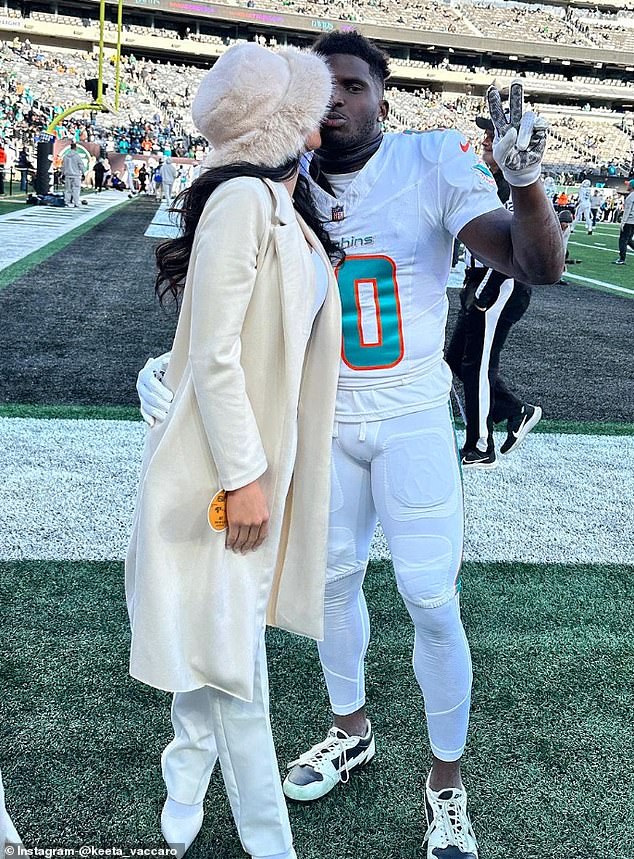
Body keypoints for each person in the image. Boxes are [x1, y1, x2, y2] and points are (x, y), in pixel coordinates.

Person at [137, 31, 563, 859]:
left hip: (406, 415)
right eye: (320, 87)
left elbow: (532, 261)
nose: (336, 101)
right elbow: (223, 301)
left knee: (431, 597)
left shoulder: (429, 163)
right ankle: (350, 728)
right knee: (331, 588)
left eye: (353, 86)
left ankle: (446, 778)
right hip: (317, 422)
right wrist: (173, 364)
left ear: (383, 96)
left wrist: (526, 180)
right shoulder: (272, 182)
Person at [126, 42, 342, 859]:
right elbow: (213, 350)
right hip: (224, 477)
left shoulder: (284, 209)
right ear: (288, 124)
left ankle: (181, 784)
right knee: (235, 667)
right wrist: (247, 478)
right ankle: (268, 842)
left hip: (254, 469)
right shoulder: (247, 201)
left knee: (221, 642)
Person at [446, 115, 542, 469]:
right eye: (485, 132)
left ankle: (480, 444)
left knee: (479, 362)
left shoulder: (513, 183)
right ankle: (515, 410)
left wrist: (489, 282)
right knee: (457, 358)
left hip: (501, 280)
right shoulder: (487, 177)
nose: (487, 139)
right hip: (481, 278)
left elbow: (518, 240)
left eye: (494, 133)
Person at [613, 179, 634, 265]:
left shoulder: (631, 196)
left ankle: (622, 259)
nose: (627, 186)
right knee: (628, 240)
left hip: (629, 221)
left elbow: (627, 210)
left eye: (629, 185)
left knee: (623, 240)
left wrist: (623, 222)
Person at [61, 143, 84, 207]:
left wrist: (62, 173)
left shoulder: (65, 156)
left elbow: (63, 166)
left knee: (68, 189)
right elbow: (81, 165)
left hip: (67, 175)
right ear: (75, 148)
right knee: (76, 189)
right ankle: (76, 202)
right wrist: (83, 173)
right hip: (76, 175)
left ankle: (67, 202)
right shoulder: (77, 156)